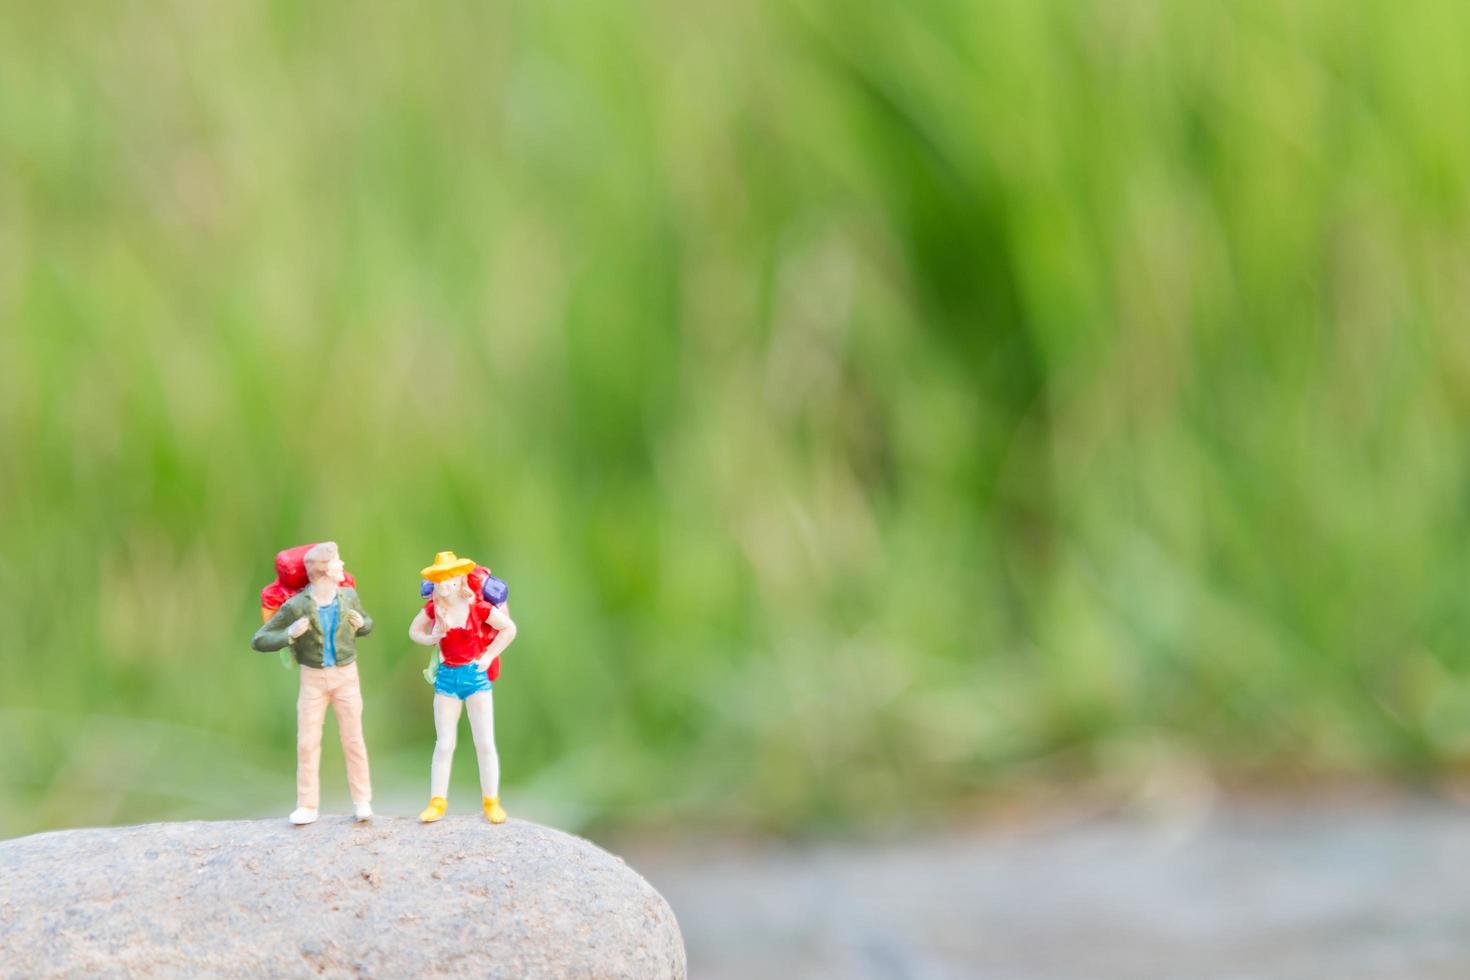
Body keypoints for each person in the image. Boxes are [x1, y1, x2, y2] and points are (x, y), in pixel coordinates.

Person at [251, 541, 375, 825]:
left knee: (353, 739)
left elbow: (368, 623)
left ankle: (362, 800)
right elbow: (259, 639)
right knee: (307, 742)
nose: (342, 566)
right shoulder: (296, 606)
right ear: (322, 570)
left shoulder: (348, 596)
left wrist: (362, 625)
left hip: (346, 675)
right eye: (337, 562)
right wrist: (290, 634)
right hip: (313, 678)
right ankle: (307, 805)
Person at [409, 551, 517, 824]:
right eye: (438, 580)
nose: (442, 585)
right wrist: (433, 636)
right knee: (444, 744)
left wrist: (489, 655)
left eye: (447, 579)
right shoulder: (434, 609)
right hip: (447, 678)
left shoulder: (477, 608)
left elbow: (508, 629)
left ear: (458, 580)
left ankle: (491, 801)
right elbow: (414, 632)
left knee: (484, 742)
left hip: (475, 677)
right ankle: (437, 801)